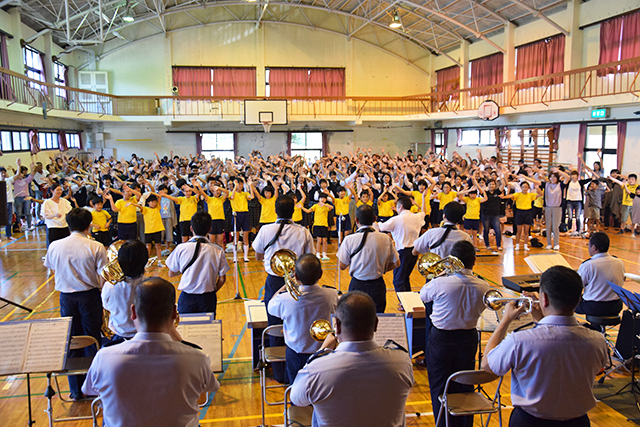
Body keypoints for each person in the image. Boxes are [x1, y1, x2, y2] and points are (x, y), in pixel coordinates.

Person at [82, 277, 220, 427]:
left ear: (133, 312)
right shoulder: (196, 358)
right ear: (174, 313)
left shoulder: (105, 357)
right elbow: (210, 387)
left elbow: (89, 390)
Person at [482, 266, 608, 427]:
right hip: (578, 422)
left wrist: (505, 320)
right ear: (578, 300)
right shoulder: (598, 340)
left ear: (544, 299)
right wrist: (540, 317)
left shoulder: (519, 341)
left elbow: (487, 365)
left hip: (529, 422)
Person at [290, 291, 414, 427]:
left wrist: (322, 351)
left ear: (336, 325)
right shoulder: (402, 361)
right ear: (376, 324)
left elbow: (297, 399)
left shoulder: (317, 369)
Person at [419, 241, 490, 427]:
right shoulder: (484, 285)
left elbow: (423, 296)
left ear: (451, 260)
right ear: (474, 260)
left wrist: (440, 275)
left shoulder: (440, 283)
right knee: (465, 385)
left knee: (439, 386)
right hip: (468, 338)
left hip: (441, 339)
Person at [43, 207, 108, 400]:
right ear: (89, 226)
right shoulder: (95, 246)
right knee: (92, 339)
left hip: (66, 297)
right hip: (89, 296)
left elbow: (51, 268)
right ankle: (94, 386)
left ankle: (75, 390)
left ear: (68, 224)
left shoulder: (55, 245)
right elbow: (103, 276)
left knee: (71, 340)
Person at [252, 195, 315, 383]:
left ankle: (280, 375)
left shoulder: (266, 229)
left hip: (273, 281)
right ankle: (298, 372)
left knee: (275, 327)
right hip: (297, 281)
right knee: (297, 324)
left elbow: (257, 255)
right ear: (293, 211)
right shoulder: (303, 231)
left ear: (275, 210)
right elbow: (310, 258)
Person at [267, 254, 338, 383]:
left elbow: (271, 305)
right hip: (323, 353)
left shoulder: (285, 299)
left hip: (296, 354)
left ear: (296, 276)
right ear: (321, 274)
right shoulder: (331, 295)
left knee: (296, 389)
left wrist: (287, 285)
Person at [336, 204, 399, 313]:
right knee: (377, 317)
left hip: (357, 284)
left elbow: (342, 266)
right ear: (375, 219)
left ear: (356, 220)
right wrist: (382, 269)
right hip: (377, 284)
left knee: (355, 318)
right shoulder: (385, 238)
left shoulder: (349, 239)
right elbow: (396, 263)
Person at [166, 211, 230, 316]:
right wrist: (213, 291)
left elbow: (171, 273)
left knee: (185, 329)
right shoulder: (218, 250)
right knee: (207, 329)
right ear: (210, 229)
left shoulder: (181, 248)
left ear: (191, 228)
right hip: (207, 297)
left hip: (187, 297)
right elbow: (222, 279)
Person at [102, 240, 149, 341]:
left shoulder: (110, 286)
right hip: (144, 336)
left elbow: (106, 306)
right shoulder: (151, 285)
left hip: (118, 336)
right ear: (145, 260)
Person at [378, 196, 425, 295]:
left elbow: (381, 227)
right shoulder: (417, 217)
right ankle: (409, 302)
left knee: (398, 280)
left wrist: (374, 223)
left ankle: (404, 304)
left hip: (403, 252)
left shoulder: (396, 219)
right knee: (405, 277)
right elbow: (423, 213)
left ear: (401, 207)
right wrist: (424, 198)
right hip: (414, 252)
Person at [575, 232, 625, 317]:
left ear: (594, 248)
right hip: (616, 306)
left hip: (594, 307)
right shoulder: (619, 262)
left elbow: (577, 286)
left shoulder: (588, 265)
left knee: (568, 301)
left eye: (589, 245)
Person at [42, 183, 73, 247]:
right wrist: (54, 215)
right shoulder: (47, 202)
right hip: (53, 226)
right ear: (52, 191)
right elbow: (46, 216)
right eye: (57, 190)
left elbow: (70, 211)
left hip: (64, 226)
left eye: (61, 190)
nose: (60, 191)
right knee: (53, 246)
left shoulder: (64, 201)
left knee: (65, 246)